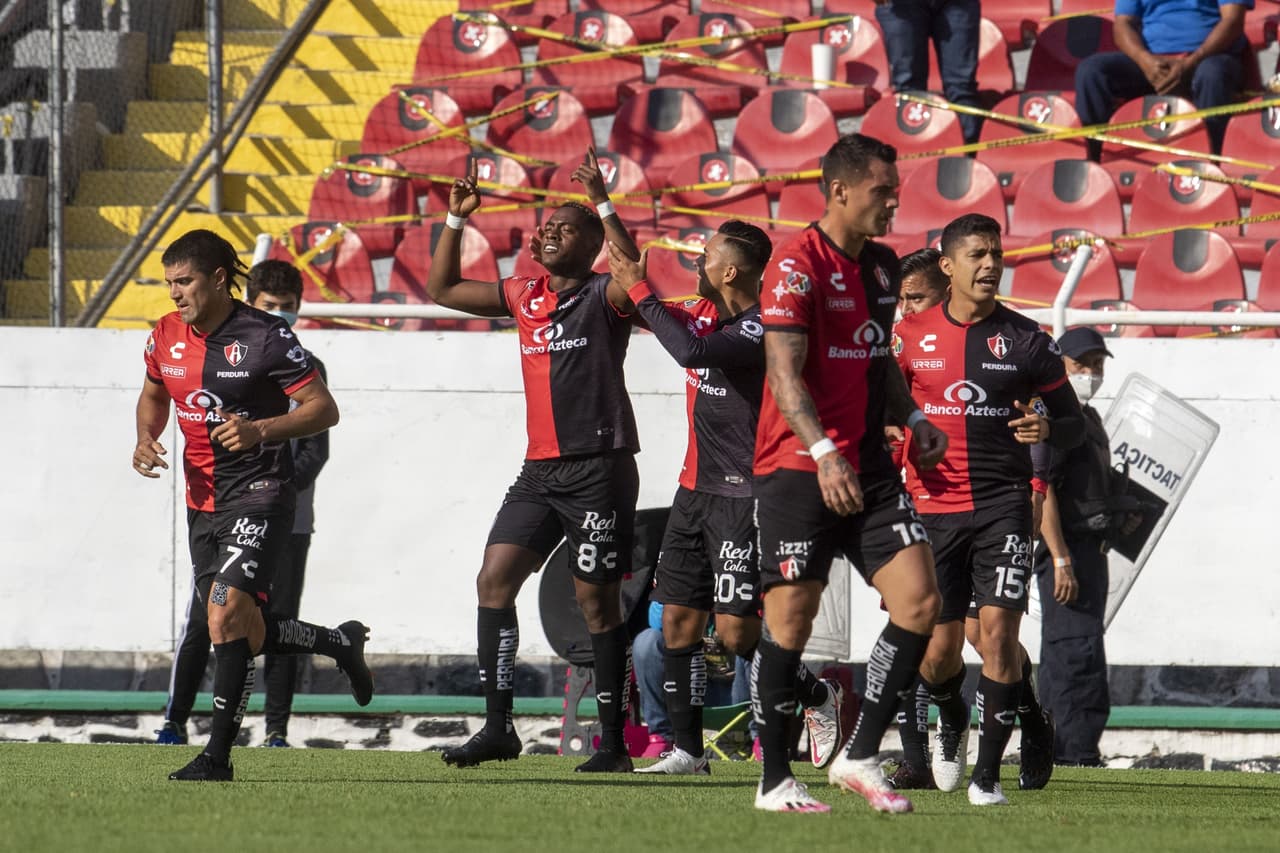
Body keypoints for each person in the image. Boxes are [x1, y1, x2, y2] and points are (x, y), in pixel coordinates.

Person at [750, 133, 949, 814]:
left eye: (896, 189)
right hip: (799, 465)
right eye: (882, 190)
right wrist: (823, 449)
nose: (894, 201)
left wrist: (913, 415)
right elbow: (782, 373)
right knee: (792, 621)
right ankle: (775, 779)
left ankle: (860, 755)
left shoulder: (885, 268)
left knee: (921, 601)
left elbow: (877, 359)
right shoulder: (794, 264)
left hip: (866, 463)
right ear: (839, 189)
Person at [429, 149, 644, 773]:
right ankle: (499, 728)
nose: (548, 231)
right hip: (540, 472)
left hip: (599, 469)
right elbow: (442, 288)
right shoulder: (524, 293)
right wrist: (454, 220)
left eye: (565, 227)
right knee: (493, 580)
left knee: (595, 603)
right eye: (545, 226)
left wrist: (603, 202)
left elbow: (634, 271)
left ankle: (611, 744)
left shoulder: (607, 296)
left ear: (591, 244)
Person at [607, 220, 847, 777]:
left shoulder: (763, 326)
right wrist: (603, 204)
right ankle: (688, 751)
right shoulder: (703, 311)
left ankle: (814, 697)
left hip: (745, 498)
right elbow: (635, 278)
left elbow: (690, 352)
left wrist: (642, 289)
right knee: (677, 625)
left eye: (706, 256)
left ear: (731, 270)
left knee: (737, 633)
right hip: (694, 492)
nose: (697, 262)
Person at [135, 229, 372, 781]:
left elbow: (323, 409)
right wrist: (145, 438)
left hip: (261, 494)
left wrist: (260, 429)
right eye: (169, 283)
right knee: (246, 630)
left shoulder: (266, 337)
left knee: (221, 613)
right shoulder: (163, 336)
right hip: (201, 502)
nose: (174, 293)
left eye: (185, 281)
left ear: (218, 279)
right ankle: (337, 643)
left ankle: (217, 757)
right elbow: (153, 394)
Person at [893, 213, 1085, 806]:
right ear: (947, 266)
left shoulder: (1028, 340)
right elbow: (877, 410)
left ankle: (987, 778)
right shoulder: (906, 338)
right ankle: (958, 715)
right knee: (938, 654)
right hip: (929, 510)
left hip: (1002, 505)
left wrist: (1049, 425)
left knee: (999, 635)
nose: (990, 264)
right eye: (976, 254)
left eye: (996, 254)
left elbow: (1073, 424)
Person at [155, 259, 332, 750]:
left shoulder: (298, 359)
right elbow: (169, 400)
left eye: (289, 308)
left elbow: (316, 443)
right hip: (218, 508)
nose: (281, 314)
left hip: (283, 514)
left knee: (250, 614)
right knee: (209, 619)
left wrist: (269, 486)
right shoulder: (191, 345)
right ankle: (174, 721)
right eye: (272, 306)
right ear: (249, 300)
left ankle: (274, 731)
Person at [1033, 326, 1132, 768]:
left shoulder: (1085, 418)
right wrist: (1060, 559)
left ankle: (1058, 747)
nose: (1090, 372)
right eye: (1081, 365)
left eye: (1097, 365)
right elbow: (1043, 490)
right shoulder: (1057, 421)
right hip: (1067, 550)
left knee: (1073, 647)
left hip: (1088, 549)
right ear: (1060, 366)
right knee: (1075, 651)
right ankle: (1073, 752)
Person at [1074, 0, 1252, 156]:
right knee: (1091, 71)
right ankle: (1093, 159)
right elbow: (1123, 24)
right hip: (1152, 61)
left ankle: (1214, 160)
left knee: (1212, 73)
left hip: (1209, 57)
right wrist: (1145, 60)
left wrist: (1193, 61)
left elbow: (1233, 20)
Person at [874, 0, 983, 143]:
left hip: (957, 4)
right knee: (908, 91)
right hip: (901, 6)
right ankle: (913, 156)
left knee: (962, 90)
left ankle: (966, 156)